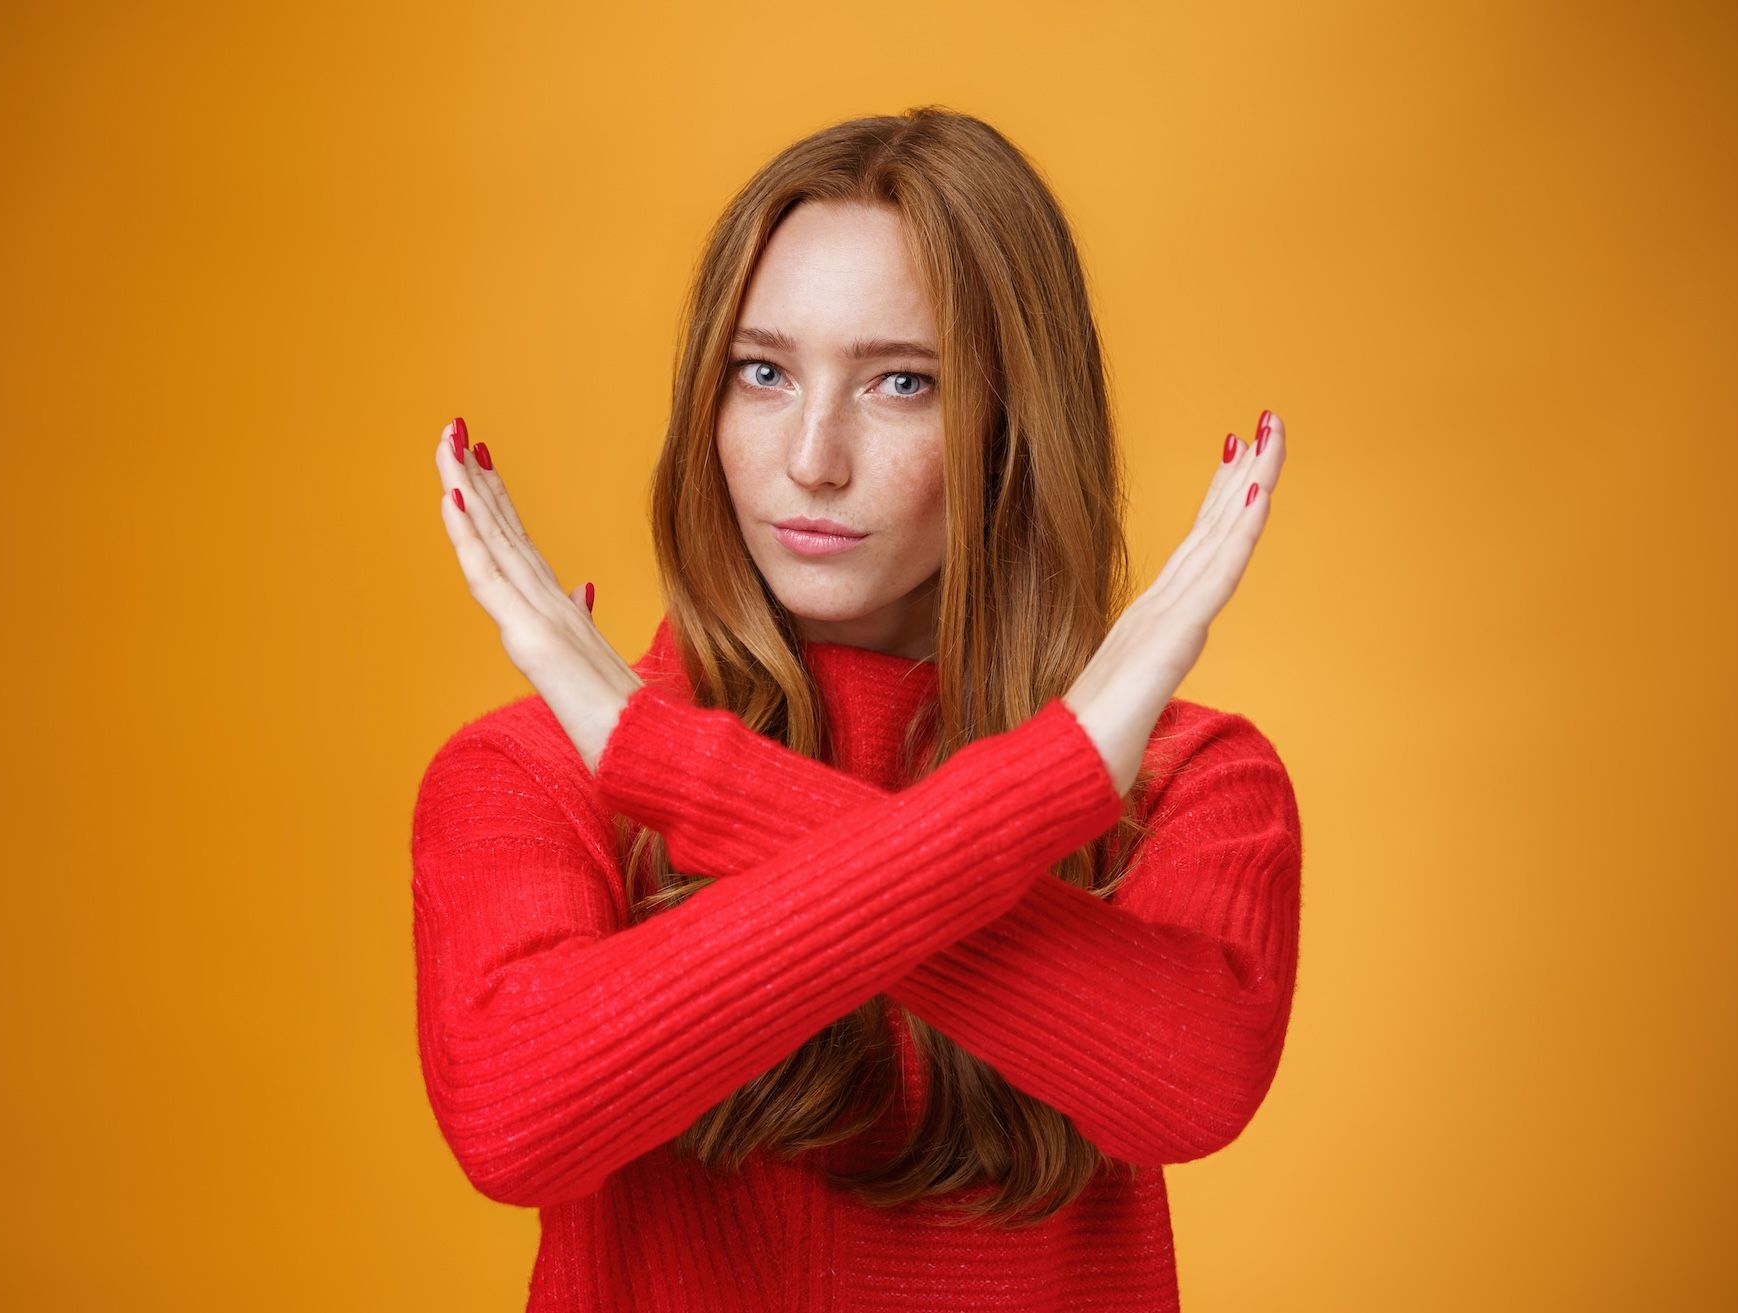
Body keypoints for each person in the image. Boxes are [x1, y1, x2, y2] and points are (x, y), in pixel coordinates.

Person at [412, 106, 1300, 1312]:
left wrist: (679, 767)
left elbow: (1186, 1086)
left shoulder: (1191, 780)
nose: (811, 457)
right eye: (763, 372)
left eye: (900, 383)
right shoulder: (531, 770)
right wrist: (1048, 781)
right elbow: (516, 1122)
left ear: (1014, 428)